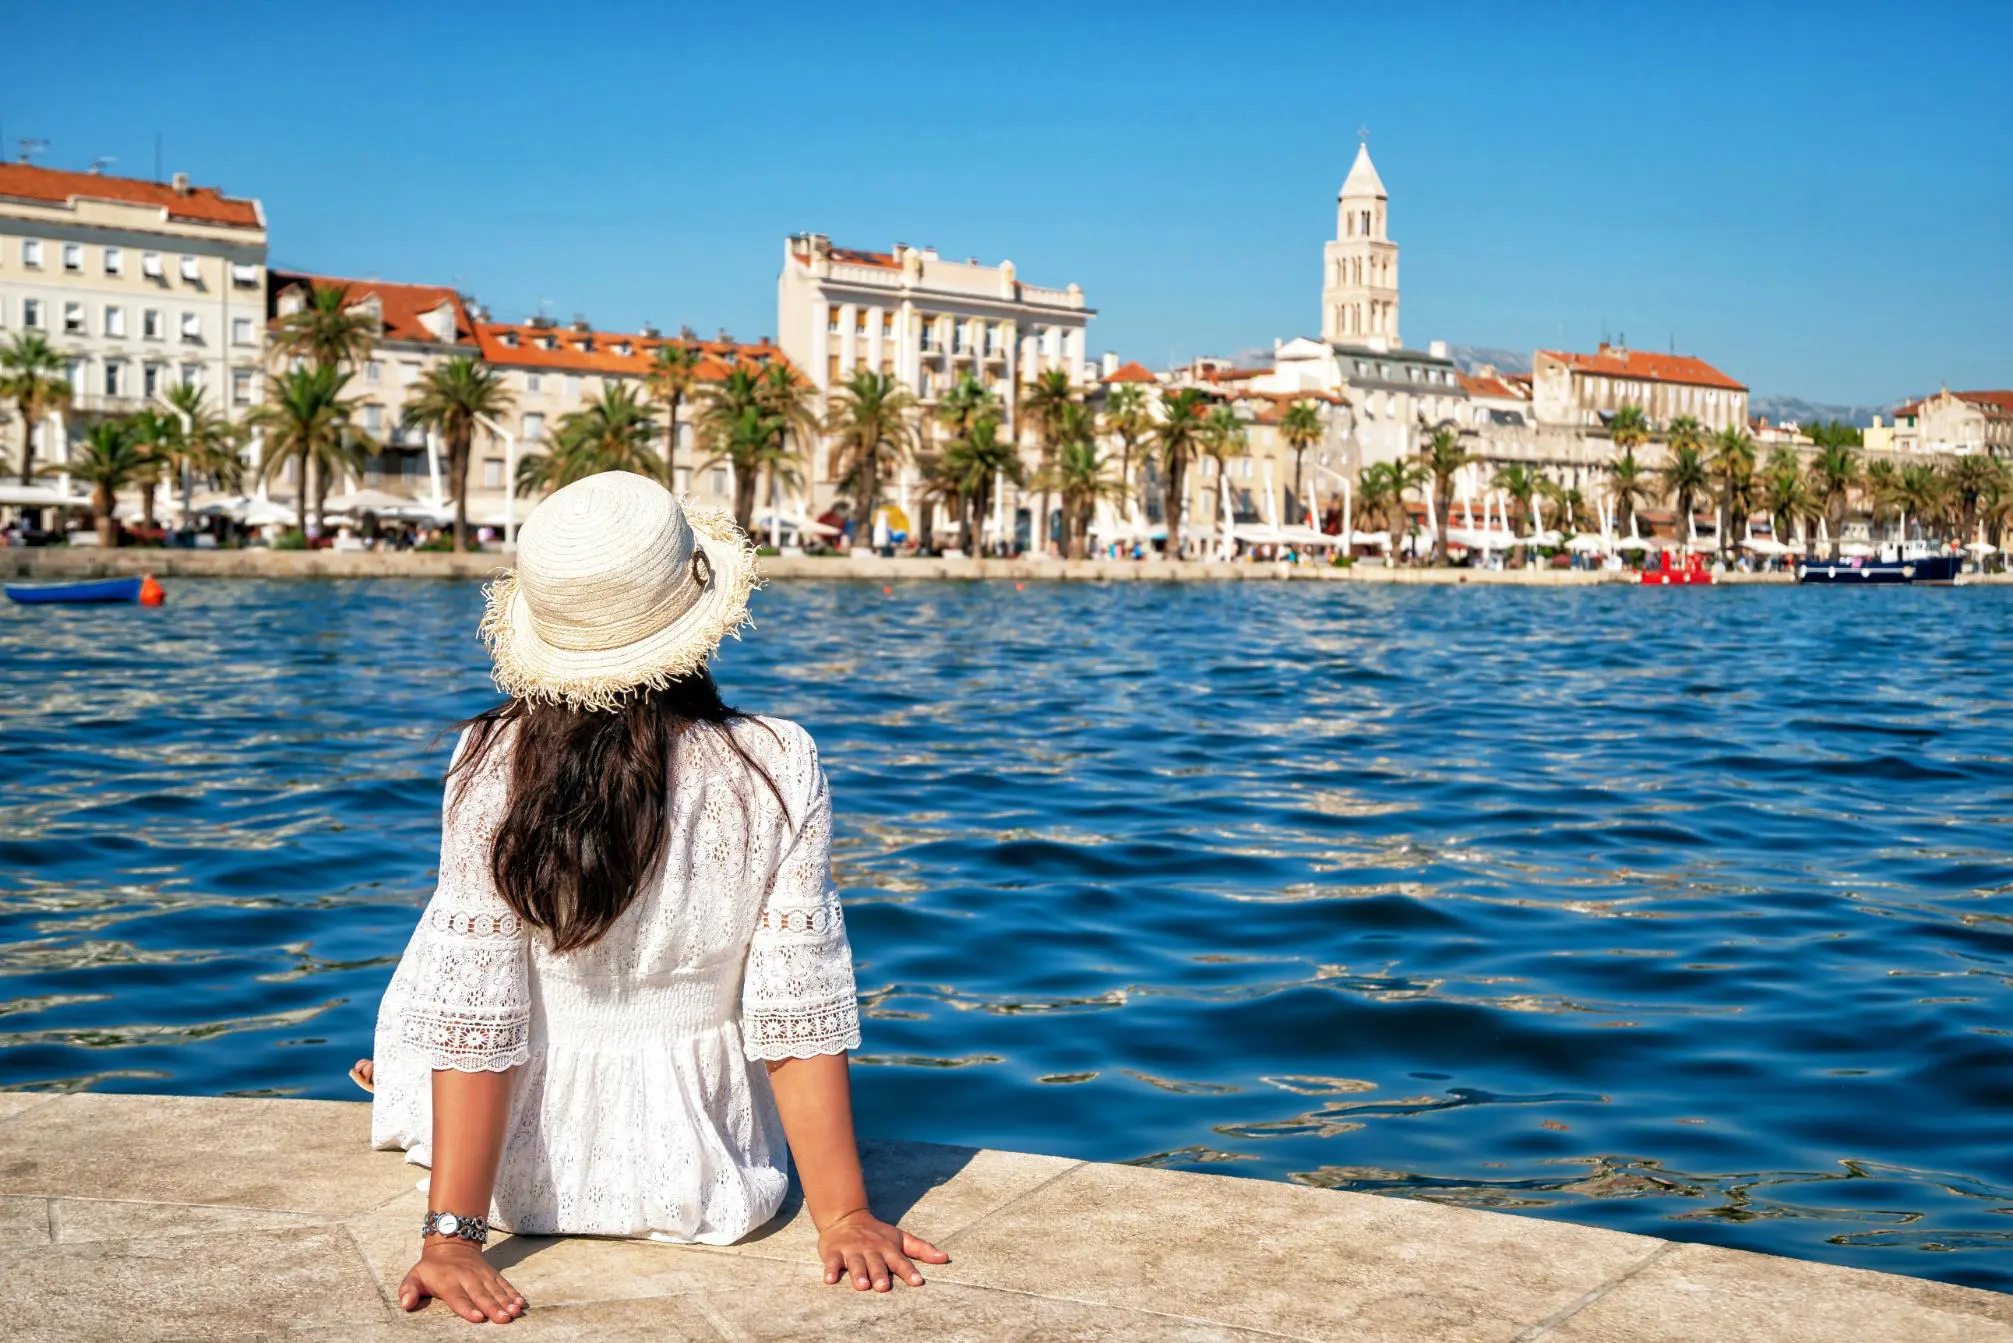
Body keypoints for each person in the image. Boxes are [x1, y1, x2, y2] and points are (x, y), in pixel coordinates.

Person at [354, 471, 945, 1325]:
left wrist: (452, 1237)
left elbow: (477, 1006)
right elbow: (797, 1005)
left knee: (456, 947)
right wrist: (844, 1215)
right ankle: (403, 1066)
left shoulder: (487, 757)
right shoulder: (776, 762)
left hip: (520, 1175)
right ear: (696, 620)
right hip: (704, 1173)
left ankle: (404, 1072)